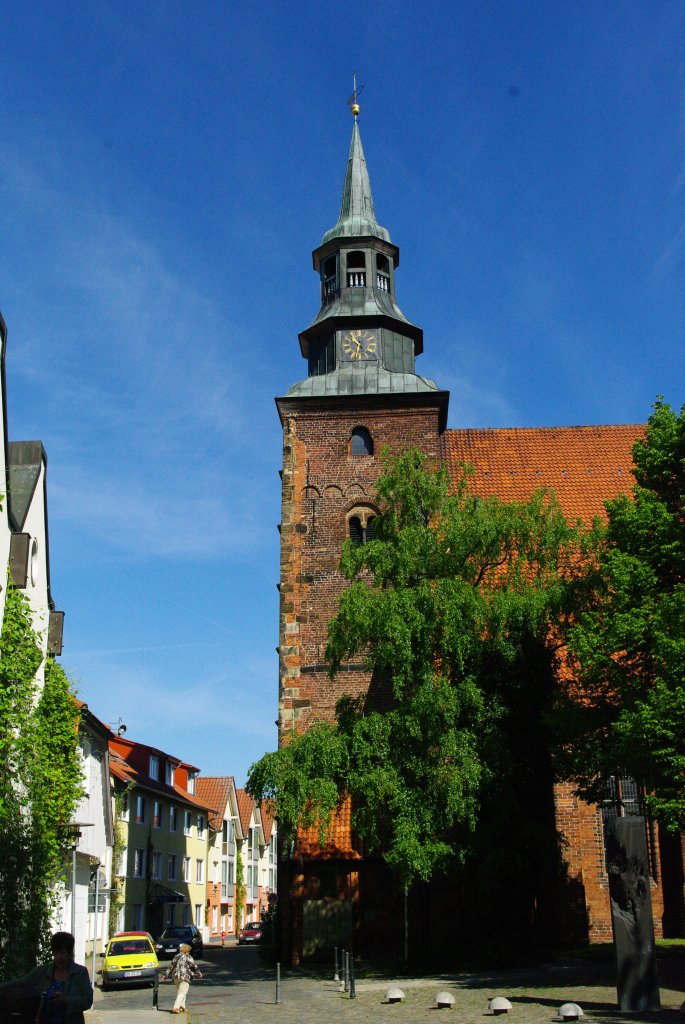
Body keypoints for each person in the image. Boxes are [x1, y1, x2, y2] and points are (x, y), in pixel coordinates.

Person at [0, 930, 93, 1023]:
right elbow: (21, 982)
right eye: (56, 953)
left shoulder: (80, 972)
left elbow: (87, 1000)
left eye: (62, 953)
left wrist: (65, 1000)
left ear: (69, 953)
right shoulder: (42, 971)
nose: (59, 957)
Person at [163, 942, 202, 1014]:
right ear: (187, 951)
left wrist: (166, 975)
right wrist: (199, 973)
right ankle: (176, 1007)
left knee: (181, 992)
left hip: (176, 977)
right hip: (185, 977)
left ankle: (182, 1007)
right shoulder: (188, 957)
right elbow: (194, 966)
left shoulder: (176, 956)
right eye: (189, 951)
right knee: (182, 992)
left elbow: (171, 966)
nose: (189, 952)